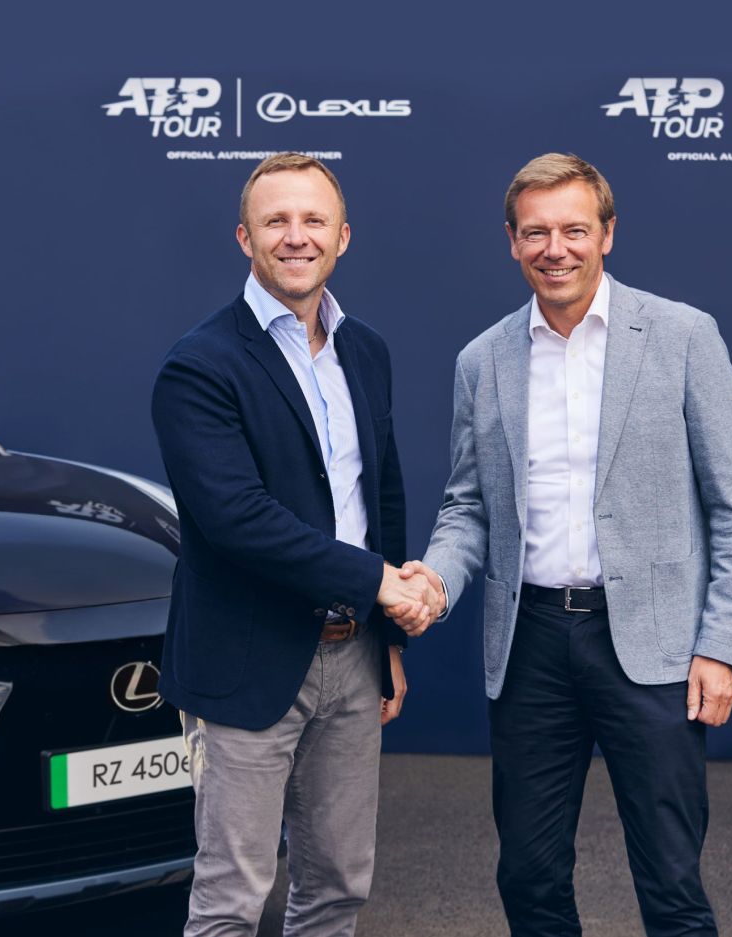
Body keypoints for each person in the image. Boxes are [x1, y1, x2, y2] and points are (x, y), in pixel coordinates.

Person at [400, 153, 732, 936]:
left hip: (655, 647)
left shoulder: (683, 336)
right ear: (511, 241)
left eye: (573, 229)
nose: (554, 248)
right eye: (536, 232)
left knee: (670, 880)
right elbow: (468, 507)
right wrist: (435, 578)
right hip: (530, 645)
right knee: (528, 876)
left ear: (607, 234)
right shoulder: (482, 359)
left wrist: (721, 645)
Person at [152, 152, 442, 937]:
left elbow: (379, 496)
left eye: (313, 220)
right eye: (275, 221)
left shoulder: (366, 350)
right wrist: (382, 582)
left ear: (343, 237)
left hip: (353, 658)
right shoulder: (199, 365)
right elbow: (236, 517)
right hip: (246, 657)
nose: (295, 236)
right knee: (231, 897)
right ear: (243, 237)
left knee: (338, 884)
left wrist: (388, 640)